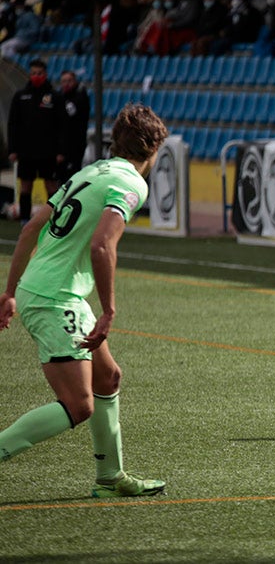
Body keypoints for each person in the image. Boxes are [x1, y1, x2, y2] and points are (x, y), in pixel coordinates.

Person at [0, 103, 169, 497]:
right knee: (79, 406)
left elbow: (30, 228)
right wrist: (109, 309)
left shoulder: (90, 172)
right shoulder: (132, 183)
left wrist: (10, 292)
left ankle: (110, 478)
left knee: (107, 378)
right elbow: (101, 246)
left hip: (46, 291)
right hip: (56, 297)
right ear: (153, 149)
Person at [8, 60, 67, 223]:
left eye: (39, 73)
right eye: (33, 73)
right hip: (26, 150)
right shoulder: (20, 96)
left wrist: (61, 151)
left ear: (45, 74)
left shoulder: (55, 97)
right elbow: (13, 124)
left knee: (51, 186)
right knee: (26, 186)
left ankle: (54, 219)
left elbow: (62, 125)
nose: (36, 76)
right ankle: (25, 219)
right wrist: (12, 149)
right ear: (29, 74)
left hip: (49, 151)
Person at [56, 70, 91, 183]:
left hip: (75, 146)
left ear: (75, 81)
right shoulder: (59, 97)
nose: (66, 84)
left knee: (72, 179)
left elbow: (72, 114)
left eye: (69, 81)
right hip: (60, 147)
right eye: (64, 81)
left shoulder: (80, 97)